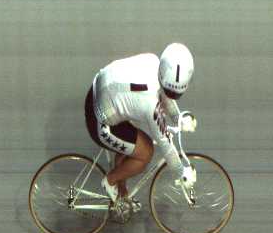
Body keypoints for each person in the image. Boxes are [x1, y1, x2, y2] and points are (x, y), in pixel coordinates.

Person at [84, 43, 198, 209]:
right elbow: (166, 144)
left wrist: (177, 117)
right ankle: (110, 181)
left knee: (132, 144)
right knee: (145, 152)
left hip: (99, 91)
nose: (172, 95)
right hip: (100, 121)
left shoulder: (153, 61)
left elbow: (164, 91)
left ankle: (121, 195)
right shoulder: (149, 105)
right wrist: (181, 173)